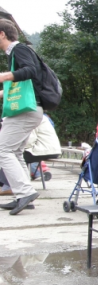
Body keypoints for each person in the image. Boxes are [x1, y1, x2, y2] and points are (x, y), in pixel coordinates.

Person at [0, 19, 43, 214]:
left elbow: (31, 72)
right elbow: (22, 84)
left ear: (2, 34)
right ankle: (22, 195)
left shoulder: (19, 49)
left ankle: (24, 192)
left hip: (26, 110)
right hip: (29, 109)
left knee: (3, 151)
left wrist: (4, 76)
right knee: (15, 152)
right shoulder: (13, 54)